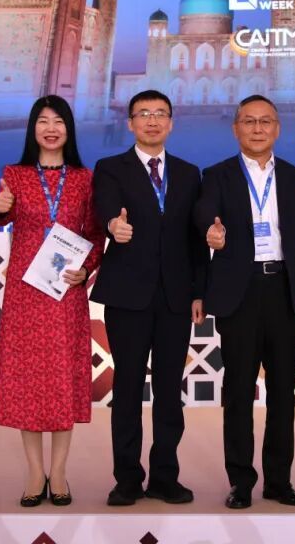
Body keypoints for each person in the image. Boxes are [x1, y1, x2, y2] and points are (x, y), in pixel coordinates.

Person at [194, 94, 295, 510]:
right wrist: (211, 233)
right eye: (249, 121)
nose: (257, 128)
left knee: (283, 392)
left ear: (277, 129)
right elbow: (204, 215)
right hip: (240, 292)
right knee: (238, 390)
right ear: (236, 129)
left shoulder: (294, 177)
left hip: (284, 290)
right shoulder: (216, 175)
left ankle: (279, 481)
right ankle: (240, 482)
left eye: (265, 121)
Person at [0, 95, 104, 507]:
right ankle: (35, 472)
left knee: (61, 380)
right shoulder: (15, 175)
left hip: (65, 294)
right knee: (28, 381)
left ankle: (60, 471)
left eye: (58, 121)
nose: (51, 129)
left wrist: (86, 269)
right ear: (32, 128)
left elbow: (95, 235)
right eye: (43, 121)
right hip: (25, 294)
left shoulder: (85, 179)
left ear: (69, 129)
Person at [91, 90, 207, 506]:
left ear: (171, 123)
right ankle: (126, 478)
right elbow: (106, 210)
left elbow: (196, 239)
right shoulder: (111, 168)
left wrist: (199, 291)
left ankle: (164, 476)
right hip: (128, 295)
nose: (152, 121)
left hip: (176, 297)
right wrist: (113, 226)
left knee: (169, 390)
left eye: (160, 114)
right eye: (144, 114)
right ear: (130, 123)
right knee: (126, 386)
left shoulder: (189, 173)